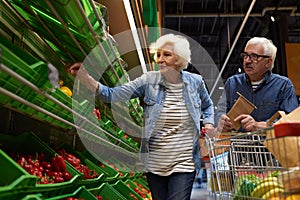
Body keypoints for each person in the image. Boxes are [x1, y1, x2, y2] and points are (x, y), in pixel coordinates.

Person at [68, 33, 215, 200]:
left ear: (179, 59)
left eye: (166, 55)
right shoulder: (148, 81)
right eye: (158, 54)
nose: (160, 59)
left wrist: (209, 123)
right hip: (154, 164)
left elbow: (208, 105)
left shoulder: (195, 82)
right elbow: (113, 95)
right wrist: (86, 78)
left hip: (184, 164)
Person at [215, 37, 298, 133]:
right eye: (246, 55)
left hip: (268, 145)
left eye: (254, 56)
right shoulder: (232, 83)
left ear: (268, 62)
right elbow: (220, 112)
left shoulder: (283, 85)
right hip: (237, 145)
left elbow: (291, 121)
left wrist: (262, 125)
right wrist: (221, 122)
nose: (247, 61)